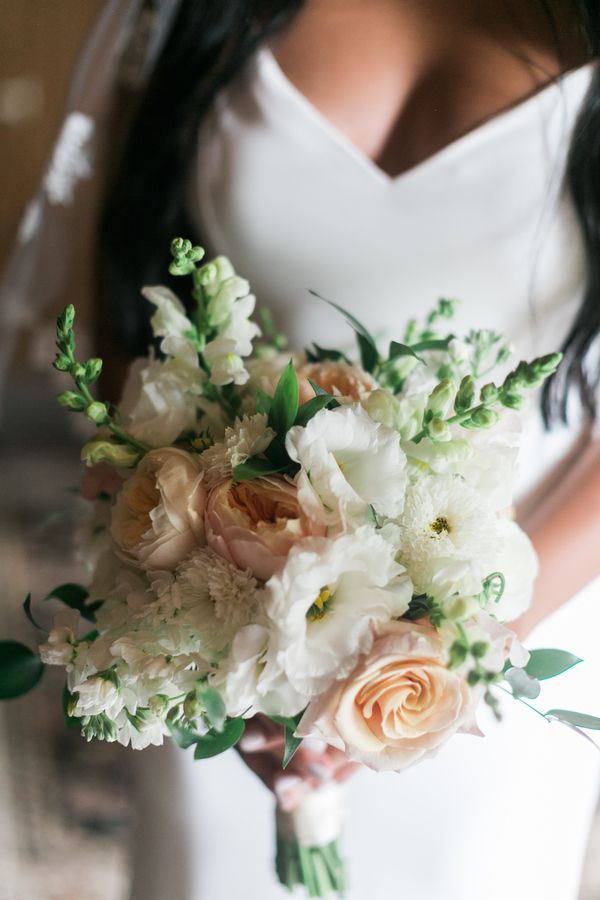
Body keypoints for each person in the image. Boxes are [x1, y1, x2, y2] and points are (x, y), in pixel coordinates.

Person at [4, 1, 600, 898]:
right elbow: (111, 326)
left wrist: (431, 659)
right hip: (228, 658)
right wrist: (209, 626)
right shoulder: (173, 16)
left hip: (499, 646)